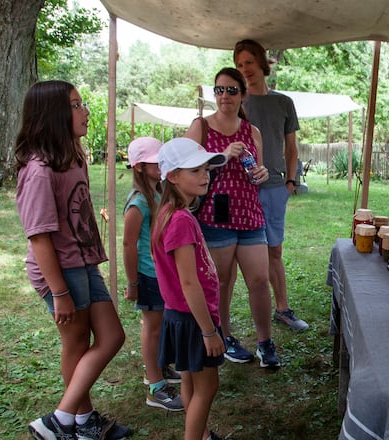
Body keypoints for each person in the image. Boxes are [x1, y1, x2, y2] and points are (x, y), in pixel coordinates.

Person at [15, 80, 128, 440]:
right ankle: (74, 421)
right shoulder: (39, 170)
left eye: (82, 104)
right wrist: (59, 292)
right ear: (53, 115)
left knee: (112, 336)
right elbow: (39, 238)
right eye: (76, 106)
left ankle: (67, 420)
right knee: (76, 343)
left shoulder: (72, 157)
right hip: (60, 270)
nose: (85, 112)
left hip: (83, 263)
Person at [184, 67, 281, 368]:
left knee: (260, 279)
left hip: (250, 214)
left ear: (243, 94)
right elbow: (184, 168)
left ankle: (265, 342)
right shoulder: (201, 126)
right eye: (219, 90)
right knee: (222, 281)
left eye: (231, 90)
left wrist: (261, 174)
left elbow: (257, 172)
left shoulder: (252, 132)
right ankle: (225, 338)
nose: (224, 96)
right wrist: (222, 155)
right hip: (214, 215)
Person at [152, 137, 228, 440]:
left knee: (189, 380)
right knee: (207, 388)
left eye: (206, 169)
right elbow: (188, 282)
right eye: (195, 171)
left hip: (180, 317)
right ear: (172, 176)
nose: (205, 176)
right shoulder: (181, 220)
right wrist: (209, 331)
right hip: (194, 320)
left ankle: (202, 434)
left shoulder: (170, 213)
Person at [234, 39, 310, 332]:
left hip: (276, 187)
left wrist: (290, 181)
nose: (245, 70)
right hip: (244, 189)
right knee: (242, 254)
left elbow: (291, 148)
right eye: (240, 65)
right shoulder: (237, 103)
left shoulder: (283, 103)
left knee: (274, 251)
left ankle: (283, 308)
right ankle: (252, 313)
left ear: (262, 64)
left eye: (249, 63)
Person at [122, 137, 183, 412]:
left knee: (161, 326)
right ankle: (156, 387)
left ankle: (159, 368)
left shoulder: (158, 193)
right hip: (148, 276)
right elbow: (128, 244)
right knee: (153, 328)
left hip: (161, 272)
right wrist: (133, 282)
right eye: (153, 161)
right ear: (138, 166)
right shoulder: (138, 203)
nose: (159, 164)